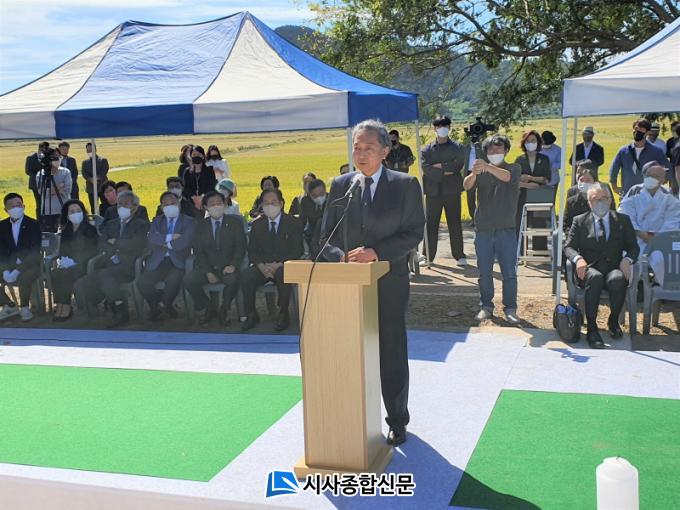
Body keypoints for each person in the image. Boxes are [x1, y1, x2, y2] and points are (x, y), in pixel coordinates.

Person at [321, 119, 425, 446]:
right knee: (350, 354)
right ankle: (351, 420)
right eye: (357, 147)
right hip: (347, 287)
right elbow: (325, 236)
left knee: (390, 352)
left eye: (368, 148)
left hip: (389, 282)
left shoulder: (405, 185)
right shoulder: (342, 185)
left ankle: (397, 419)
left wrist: (377, 253)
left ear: (384, 151)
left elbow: (413, 233)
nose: (361, 154)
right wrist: (340, 257)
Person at [564, 185, 639, 349]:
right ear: (589, 203)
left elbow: (634, 247)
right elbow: (568, 247)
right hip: (589, 268)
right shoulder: (579, 221)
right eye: (595, 199)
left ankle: (613, 321)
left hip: (614, 267)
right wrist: (578, 259)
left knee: (618, 279)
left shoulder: (623, 220)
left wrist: (627, 260)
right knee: (595, 278)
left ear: (610, 200)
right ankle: (592, 328)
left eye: (604, 198)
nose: (600, 202)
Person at [463, 135, 521, 323]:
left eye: (498, 149)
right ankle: (486, 306)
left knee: (509, 273)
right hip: (484, 229)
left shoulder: (514, 168)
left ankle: (510, 308)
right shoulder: (482, 171)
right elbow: (466, 186)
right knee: (484, 272)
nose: (494, 152)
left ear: (506, 151)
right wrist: (474, 173)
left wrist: (487, 167)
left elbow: (507, 177)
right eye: (490, 150)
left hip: (506, 229)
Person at [74, 191, 149, 327]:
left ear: (135, 207)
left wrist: (115, 242)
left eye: (126, 204)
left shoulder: (141, 225)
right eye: (119, 204)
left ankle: (120, 311)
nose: (121, 207)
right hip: (108, 264)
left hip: (129, 266)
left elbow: (135, 245)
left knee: (104, 276)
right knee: (81, 283)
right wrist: (116, 248)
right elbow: (102, 243)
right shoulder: (111, 224)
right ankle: (98, 306)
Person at [241, 188, 303, 332]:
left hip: (284, 265)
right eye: (266, 203)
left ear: (281, 204)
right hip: (263, 266)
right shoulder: (257, 224)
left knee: (283, 274)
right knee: (246, 276)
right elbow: (252, 250)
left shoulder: (293, 222)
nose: (270, 206)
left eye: (273, 202)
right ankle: (251, 314)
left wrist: (279, 264)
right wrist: (261, 266)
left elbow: (297, 250)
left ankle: (283, 313)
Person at [183, 191, 247, 326]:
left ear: (224, 205)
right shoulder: (200, 226)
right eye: (212, 204)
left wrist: (233, 265)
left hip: (228, 266)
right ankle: (208, 307)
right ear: (206, 207)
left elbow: (241, 247)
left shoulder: (235, 223)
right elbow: (198, 252)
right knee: (189, 280)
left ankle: (224, 310)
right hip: (208, 267)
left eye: (219, 203)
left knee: (233, 280)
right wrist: (208, 272)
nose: (216, 206)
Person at [617, 161, 680, 285]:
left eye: (656, 176)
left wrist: (657, 237)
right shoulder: (634, 195)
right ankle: (636, 286)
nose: (651, 178)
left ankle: (660, 285)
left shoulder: (670, 199)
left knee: (663, 259)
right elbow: (625, 214)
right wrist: (640, 232)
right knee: (630, 260)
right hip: (637, 239)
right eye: (649, 175)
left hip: (661, 240)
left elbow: (673, 220)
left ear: (663, 180)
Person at [137, 192, 196, 321]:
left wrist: (163, 242)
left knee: (173, 281)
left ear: (179, 203)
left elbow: (184, 242)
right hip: (158, 260)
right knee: (143, 282)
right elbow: (151, 240)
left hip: (178, 262)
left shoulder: (189, 221)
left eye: (173, 203)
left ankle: (165, 305)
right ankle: (157, 306)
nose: (170, 206)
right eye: (166, 204)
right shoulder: (157, 221)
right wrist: (170, 237)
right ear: (161, 207)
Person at [421, 116, 467, 265]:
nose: (442, 129)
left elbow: (457, 166)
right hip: (433, 191)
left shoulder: (458, 147)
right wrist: (447, 168)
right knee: (431, 224)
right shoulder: (426, 149)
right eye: (439, 126)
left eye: (445, 126)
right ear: (435, 128)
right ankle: (428, 256)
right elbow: (426, 169)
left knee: (454, 222)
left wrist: (439, 166)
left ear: (449, 128)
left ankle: (459, 255)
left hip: (452, 190)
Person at [50, 199, 98, 322]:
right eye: (72, 211)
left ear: (83, 212)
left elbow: (92, 252)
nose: (75, 213)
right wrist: (64, 260)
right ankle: (60, 304)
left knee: (65, 274)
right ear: (67, 215)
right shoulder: (66, 231)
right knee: (56, 272)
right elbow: (62, 250)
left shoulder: (90, 229)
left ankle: (66, 307)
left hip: (84, 265)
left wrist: (74, 262)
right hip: (68, 265)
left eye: (78, 210)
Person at [0, 193, 41, 322]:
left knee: (25, 276)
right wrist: (5, 270)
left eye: (18, 205)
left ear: (23, 206)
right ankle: (9, 305)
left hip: (30, 264)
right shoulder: (2, 226)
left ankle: (24, 307)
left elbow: (34, 251)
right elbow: (1, 250)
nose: (15, 208)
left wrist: (18, 270)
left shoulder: (33, 224)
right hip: (9, 264)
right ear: (6, 210)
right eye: (11, 206)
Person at [610, 119, 669, 196]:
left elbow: (667, 169)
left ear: (647, 132)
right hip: (628, 193)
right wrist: (614, 186)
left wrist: (660, 184)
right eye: (635, 129)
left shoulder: (656, 152)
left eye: (640, 129)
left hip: (650, 194)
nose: (637, 131)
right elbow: (614, 169)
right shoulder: (623, 151)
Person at [514, 130, 552, 250]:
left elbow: (546, 179)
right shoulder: (519, 160)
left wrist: (530, 178)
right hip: (521, 196)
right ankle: (520, 251)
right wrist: (527, 185)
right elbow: (515, 181)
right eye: (527, 141)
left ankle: (539, 251)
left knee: (539, 224)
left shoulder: (544, 159)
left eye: (533, 140)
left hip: (539, 196)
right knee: (520, 224)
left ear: (538, 142)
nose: (530, 143)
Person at [563, 167, 615, 233]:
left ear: (595, 182)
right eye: (581, 180)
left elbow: (613, 217)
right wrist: (572, 235)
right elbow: (565, 224)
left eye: (588, 180)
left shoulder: (604, 199)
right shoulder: (571, 202)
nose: (584, 183)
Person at [36, 148, 73, 232]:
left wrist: (51, 191)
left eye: (59, 157)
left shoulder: (66, 172)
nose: (57, 160)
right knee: (50, 234)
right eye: (54, 158)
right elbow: (42, 192)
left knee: (66, 233)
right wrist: (60, 186)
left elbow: (68, 190)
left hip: (64, 209)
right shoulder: (41, 174)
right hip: (48, 211)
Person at [182, 145, 217, 216]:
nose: (196, 156)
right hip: (191, 203)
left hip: (206, 201)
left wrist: (202, 198)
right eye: (194, 154)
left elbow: (211, 186)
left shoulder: (209, 170)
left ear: (203, 156)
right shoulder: (187, 171)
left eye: (198, 154)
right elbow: (185, 188)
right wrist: (194, 198)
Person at [302, 178, 327, 259]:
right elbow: (303, 220)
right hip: (312, 235)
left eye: (321, 194)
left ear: (325, 190)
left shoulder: (332, 200)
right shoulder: (306, 202)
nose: (319, 197)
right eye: (315, 196)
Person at [81, 142, 109, 214]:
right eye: (88, 150)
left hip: (103, 187)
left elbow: (104, 170)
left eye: (91, 150)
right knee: (93, 207)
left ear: (95, 149)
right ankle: (95, 219)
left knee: (106, 205)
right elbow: (84, 173)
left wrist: (97, 179)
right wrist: (91, 179)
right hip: (91, 188)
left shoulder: (103, 160)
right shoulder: (85, 162)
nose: (89, 151)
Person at [25, 141, 50, 218]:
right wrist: (39, 175)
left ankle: (48, 220)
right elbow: (28, 171)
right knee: (39, 203)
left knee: (48, 203)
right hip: (36, 185)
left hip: (48, 184)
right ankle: (39, 221)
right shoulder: (30, 158)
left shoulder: (49, 158)